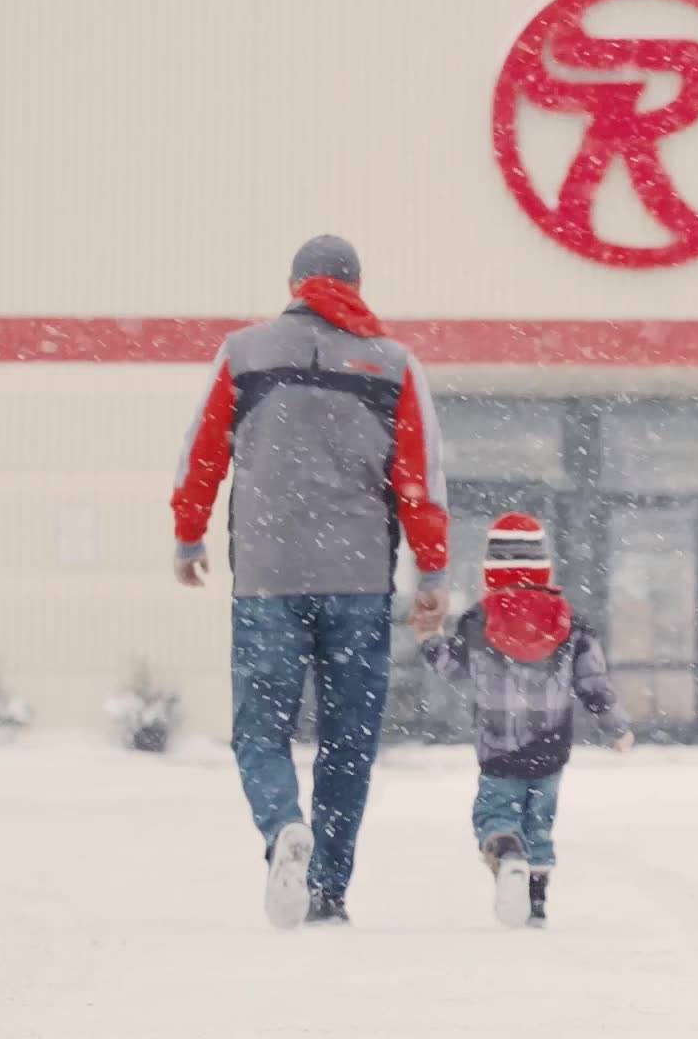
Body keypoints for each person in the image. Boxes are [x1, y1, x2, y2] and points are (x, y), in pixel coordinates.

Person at [170, 235, 450, 928]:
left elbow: (203, 452)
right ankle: (327, 888)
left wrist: (188, 532)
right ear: (357, 284)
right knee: (348, 740)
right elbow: (420, 477)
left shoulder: (244, 352)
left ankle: (281, 829)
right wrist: (433, 570)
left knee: (262, 732)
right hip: (357, 580)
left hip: (268, 577)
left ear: (294, 282)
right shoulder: (393, 364)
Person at [414, 513, 633, 929]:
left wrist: (428, 639)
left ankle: (505, 850)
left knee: (495, 815)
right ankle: (535, 901)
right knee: (540, 822)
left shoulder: (479, 620)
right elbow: (593, 683)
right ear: (543, 565)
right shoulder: (571, 622)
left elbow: (453, 668)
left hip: (498, 748)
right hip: (551, 749)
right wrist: (615, 726)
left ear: (491, 570)